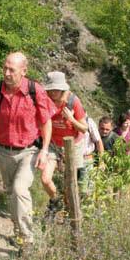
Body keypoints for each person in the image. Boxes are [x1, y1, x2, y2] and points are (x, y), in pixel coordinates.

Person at [0, 52, 54, 247]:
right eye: (5, 68)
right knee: (10, 193)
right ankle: (18, 233)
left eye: (11, 70)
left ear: (23, 71)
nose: (6, 73)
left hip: (28, 151)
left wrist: (45, 150)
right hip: (3, 152)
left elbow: (46, 123)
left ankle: (28, 240)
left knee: (19, 190)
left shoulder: (35, 91)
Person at [40, 71, 88, 213]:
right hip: (53, 144)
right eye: (50, 89)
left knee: (71, 183)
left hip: (73, 145)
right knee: (45, 178)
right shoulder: (44, 100)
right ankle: (56, 201)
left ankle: (71, 211)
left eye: (56, 89)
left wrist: (71, 120)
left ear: (62, 88)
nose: (53, 92)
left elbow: (84, 129)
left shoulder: (73, 102)